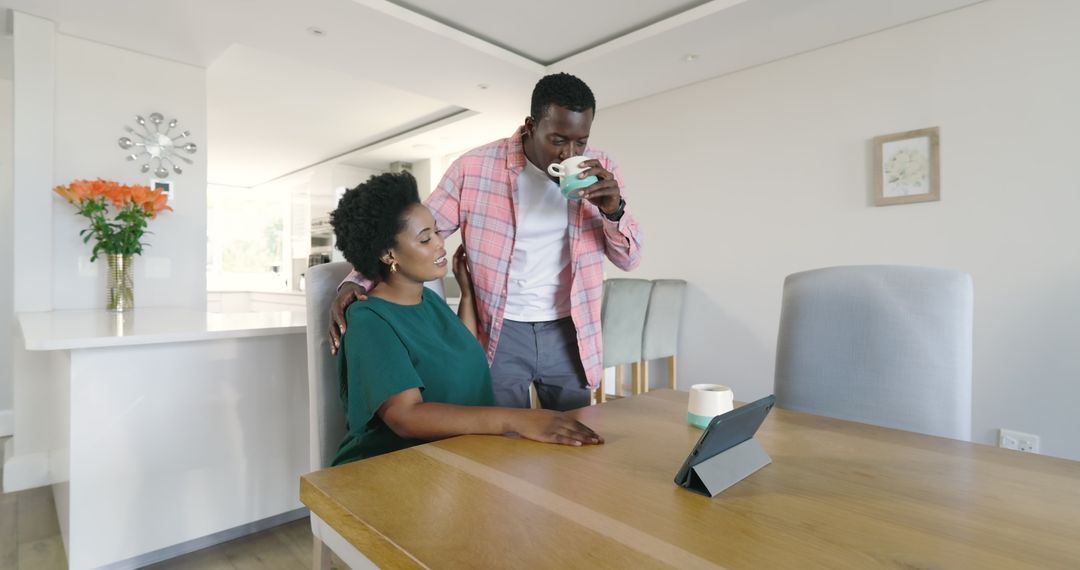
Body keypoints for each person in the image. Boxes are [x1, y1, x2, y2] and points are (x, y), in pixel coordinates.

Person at [330, 72, 643, 411]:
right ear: (531, 124)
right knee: (498, 444)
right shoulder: (474, 168)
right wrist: (353, 282)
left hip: (571, 330)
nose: (569, 153)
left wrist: (615, 210)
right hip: (500, 330)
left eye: (580, 142)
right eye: (557, 139)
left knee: (574, 437)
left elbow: (629, 259)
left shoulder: (601, 169)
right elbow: (410, 231)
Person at [329, 171, 602, 465]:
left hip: (455, 460)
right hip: (394, 469)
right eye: (425, 239)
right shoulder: (369, 320)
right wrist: (517, 419)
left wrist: (468, 295)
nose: (439, 243)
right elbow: (404, 416)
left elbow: (460, 350)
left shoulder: (427, 300)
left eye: (436, 231)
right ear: (387, 254)